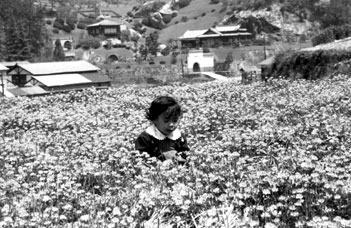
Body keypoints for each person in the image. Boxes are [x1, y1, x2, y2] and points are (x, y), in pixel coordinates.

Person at [135, 96, 190, 163]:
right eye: (166, 121)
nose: (171, 124)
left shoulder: (179, 136)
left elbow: (186, 154)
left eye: (175, 120)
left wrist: (180, 158)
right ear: (154, 119)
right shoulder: (145, 138)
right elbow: (140, 159)